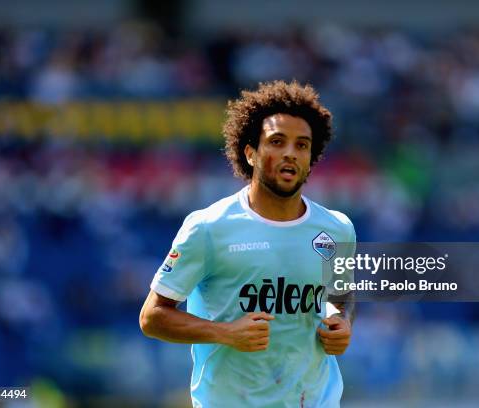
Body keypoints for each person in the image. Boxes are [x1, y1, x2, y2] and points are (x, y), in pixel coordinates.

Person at [140, 80, 356, 407]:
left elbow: (340, 296)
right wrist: (224, 333)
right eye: (277, 142)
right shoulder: (209, 228)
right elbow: (152, 317)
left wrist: (342, 322)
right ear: (251, 153)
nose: (289, 153)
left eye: (302, 145)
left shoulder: (338, 229)